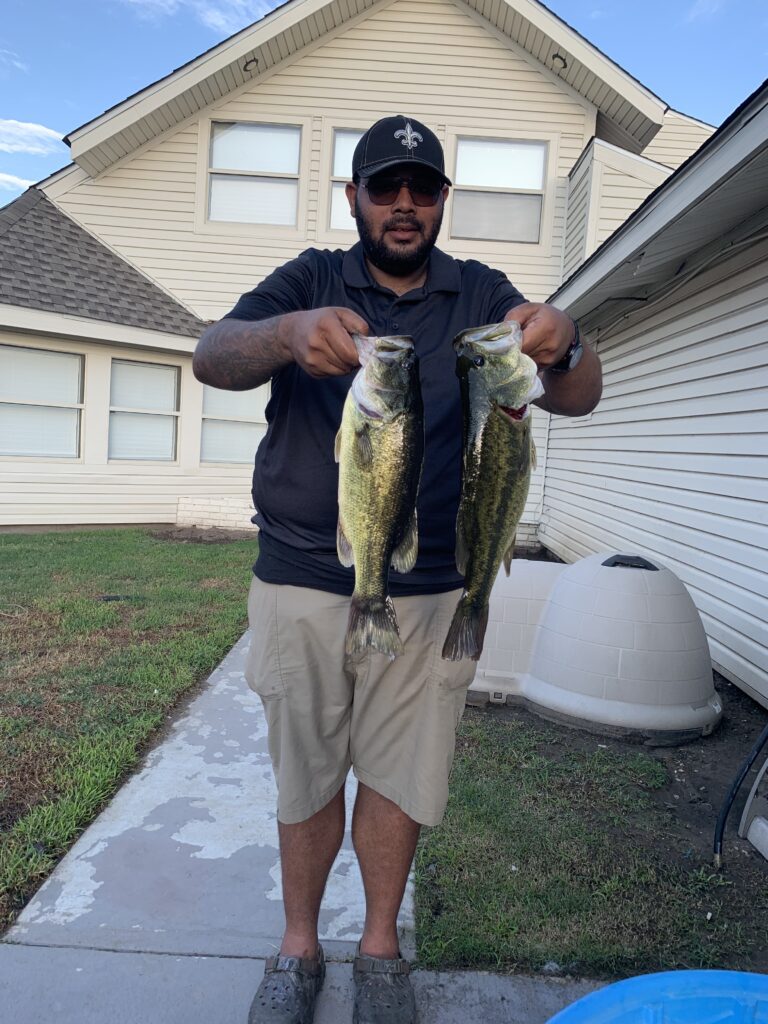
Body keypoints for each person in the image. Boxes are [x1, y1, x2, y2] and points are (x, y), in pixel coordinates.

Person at [193, 114, 602, 1024]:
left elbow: (577, 393)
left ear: (443, 201)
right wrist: (288, 333)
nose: (405, 205)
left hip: (427, 594)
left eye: (422, 188)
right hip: (301, 578)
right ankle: (298, 948)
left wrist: (563, 339)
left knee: (397, 777)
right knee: (306, 774)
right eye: (386, 187)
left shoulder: (481, 294)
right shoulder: (308, 276)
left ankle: (379, 951)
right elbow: (212, 355)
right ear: (356, 199)